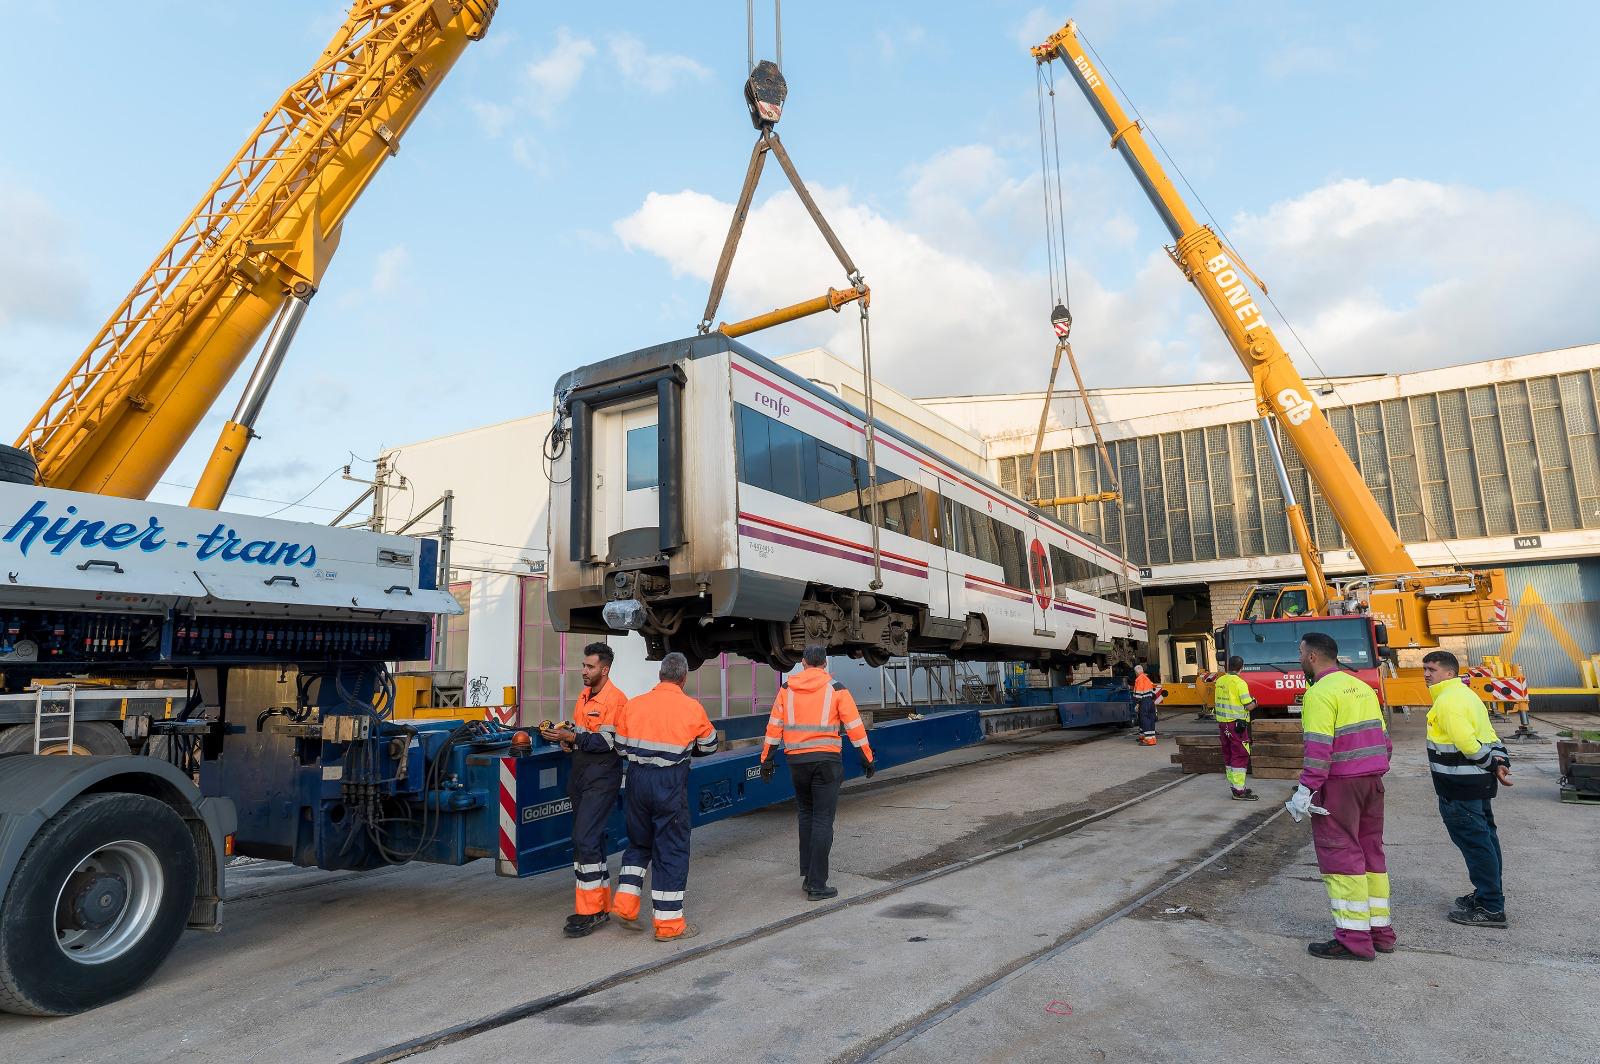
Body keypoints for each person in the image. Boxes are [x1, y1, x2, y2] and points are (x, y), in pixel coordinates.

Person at [1286, 632, 1394, 961]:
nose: (1300, 659)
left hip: (1340, 787)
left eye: (1302, 653)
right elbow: (1384, 740)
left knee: (1341, 857)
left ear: (1313, 657)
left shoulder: (1319, 693)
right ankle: (1380, 932)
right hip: (1371, 782)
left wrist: (1305, 791)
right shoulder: (1362, 687)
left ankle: (1352, 939)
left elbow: (1318, 750)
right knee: (1371, 854)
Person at [609, 652, 719, 941]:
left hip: (635, 780)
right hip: (668, 783)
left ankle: (624, 905)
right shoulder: (692, 708)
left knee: (639, 843)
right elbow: (709, 746)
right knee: (671, 849)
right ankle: (669, 925)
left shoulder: (634, 705)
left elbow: (620, 746)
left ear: (660, 675)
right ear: (683, 678)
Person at [758, 645, 875, 900]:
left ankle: (808, 875)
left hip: (797, 762)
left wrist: (766, 758)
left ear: (802, 663)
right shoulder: (836, 689)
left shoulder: (787, 689)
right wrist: (866, 757)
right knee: (823, 819)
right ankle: (817, 884)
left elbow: (774, 726)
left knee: (806, 815)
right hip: (826, 762)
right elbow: (854, 726)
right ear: (824, 664)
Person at [540, 643, 627, 938]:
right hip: (581, 775)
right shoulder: (584, 696)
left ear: (605, 669)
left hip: (602, 777)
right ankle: (600, 905)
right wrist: (567, 740)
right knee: (589, 841)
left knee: (584, 837)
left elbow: (607, 742)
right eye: (583, 666)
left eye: (589, 667)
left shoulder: (616, 700)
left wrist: (572, 736)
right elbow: (583, 732)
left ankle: (590, 911)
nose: (583, 671)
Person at [1422, 650, 1513, 929]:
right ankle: (1487, 895)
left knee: (1476, 845)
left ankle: (1491, 907)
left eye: (1432, 670)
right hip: (1477, 784)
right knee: (1485, 839)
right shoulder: (1467, 695)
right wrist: (1499, 761)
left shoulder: (1447, 702)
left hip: (1459, 786)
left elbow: (1469, 744)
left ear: (1449, 673)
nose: (1426, 674)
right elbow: (1488, 735)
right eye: (1424, 669)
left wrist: (1487, 762)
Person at [1213, 656, 1259, 801]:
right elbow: (1248, 705)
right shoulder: (1240, 683)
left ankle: (1235, 786)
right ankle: (1239, 791)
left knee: (1229, 755)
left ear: (1227, 666)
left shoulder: (1219, 681)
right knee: (1240, 755)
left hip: (1223, 724)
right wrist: (1255, 702)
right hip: (1236, 725)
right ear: (1242, 667)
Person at [1132, 664, 1158, 746]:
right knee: (1150, 719)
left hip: (1144, 702)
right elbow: (1152, 691)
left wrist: (1136, 703)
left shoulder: (1139, 679)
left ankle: (1148, 740)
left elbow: (1138, 693)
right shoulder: (1147, 678)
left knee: (1144, 719)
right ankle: (1152, 738)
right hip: (1150, 701)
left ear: (1136, 672)